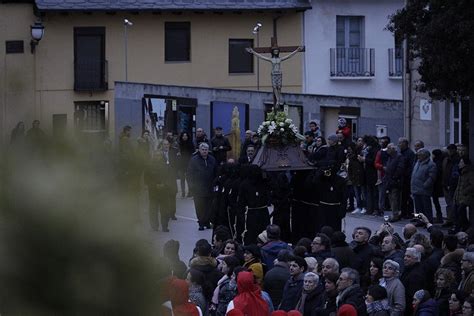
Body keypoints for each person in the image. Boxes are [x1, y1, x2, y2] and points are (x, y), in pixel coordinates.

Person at [237, 165, 270, 245]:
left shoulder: (262, 182)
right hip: (255, 212)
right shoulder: (262, 182)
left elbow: (241, 203)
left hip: (258, 212)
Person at [188, 143, 217, 230]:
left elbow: (216, 171)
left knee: (209, 206)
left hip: (209, 187)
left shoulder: (212, 159)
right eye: (203, 149)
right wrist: (192, 186)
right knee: (200, 206)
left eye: (206, 149)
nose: (204, 151)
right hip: (198, 188)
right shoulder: (194, 160)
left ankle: (207, 221)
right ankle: (201, 222)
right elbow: (190, 174)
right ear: (199, 150)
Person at [411, 148, 437, 223]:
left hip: (424, 190)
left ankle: (428, 221)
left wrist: (425, 185)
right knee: (418, 208)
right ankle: (419, 221)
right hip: (416, 189)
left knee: (426, 208)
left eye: (420, 155)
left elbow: (432, 177)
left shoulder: (431, 164)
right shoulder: (417, 162)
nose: (418, 156)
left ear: (425, 155)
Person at [401, 248, 426, 315]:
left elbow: (412, 296)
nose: (405, 258)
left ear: (416, 259)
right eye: (405, 256)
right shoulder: (408, 269)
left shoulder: (416, 275)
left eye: (408, 256)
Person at [384, 143, 405, 222]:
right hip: (389, 180)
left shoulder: (399, 157)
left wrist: (394, 177)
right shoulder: (390, 157)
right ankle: (394, 213)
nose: (387, 150)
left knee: (395, 198)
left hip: (395, 181)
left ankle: (395, 214)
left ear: (393, 149)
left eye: (389, 148)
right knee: (391, 198)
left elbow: (400, 169)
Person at [452, 157, 474, 233]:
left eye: (461, 162)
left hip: (466, 196)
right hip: (459, 196)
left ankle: (463, 227)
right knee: (457, 212)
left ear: (465, 164)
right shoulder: (461, 172)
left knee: (460, 212)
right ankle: (459, 228)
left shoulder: (469, 173)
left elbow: (472, 185)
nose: (459, 164)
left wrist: (465, 191)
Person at [442, 144, 461, 227]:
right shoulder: (447, 159)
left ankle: (454, 220)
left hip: (452, 185)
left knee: (452, 203)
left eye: (451, 150)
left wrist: (450, 183)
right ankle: (450, 219)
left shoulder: (456, 159)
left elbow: (454, 174)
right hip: (446, 184)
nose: (449, 151)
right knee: (449, 203)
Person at [398, 137, 416, 219]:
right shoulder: (401, 152)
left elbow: (410, 166)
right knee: (403, 196)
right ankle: (403, 212)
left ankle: (410, 213)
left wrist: (407, 175)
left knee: (408, 196)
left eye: (400, 143)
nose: (399, 145)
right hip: (402, 177)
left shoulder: (410, 153)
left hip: (407, 178)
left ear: (405, 144)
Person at [178, 131, 195, 197]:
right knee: (182, 179)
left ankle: (190, 192)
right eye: (183, 136)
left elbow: (192, 153)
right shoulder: (179, 144)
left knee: (189, 178)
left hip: (189, 163)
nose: (184, 137)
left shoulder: (191, 144)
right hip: (181, 163)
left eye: (186, 136)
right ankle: (183, 192)